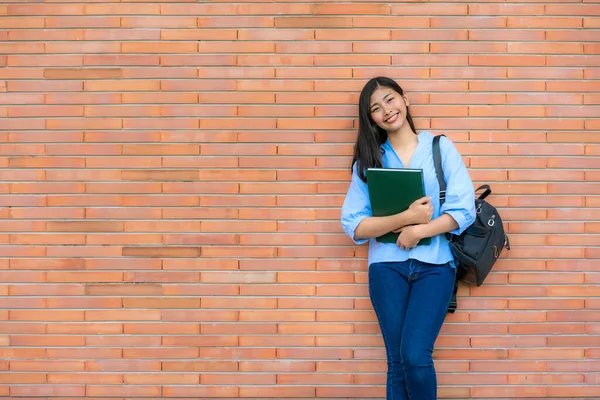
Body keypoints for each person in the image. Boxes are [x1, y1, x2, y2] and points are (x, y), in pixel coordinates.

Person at [341, 77, 476, 400]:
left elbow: (464, 210)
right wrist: (406, 219)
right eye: (376, 108)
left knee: (415, 357)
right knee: (397, 362)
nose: (386, 110)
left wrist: (419, 231)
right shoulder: (369, 161)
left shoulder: (440, 148)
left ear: (405, 100)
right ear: (370, 119)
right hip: (386, 269)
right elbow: (354, 225)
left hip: (435, 267)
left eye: (390, 100)